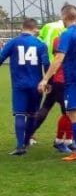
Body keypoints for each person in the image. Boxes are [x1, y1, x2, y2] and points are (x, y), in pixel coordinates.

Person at [37, 5, 76, 162]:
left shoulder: (67, 34)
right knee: (72, 112)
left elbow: (58, 58)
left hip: (75, 80)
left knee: (73, 114)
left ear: (63, 17)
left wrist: (45, 78)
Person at [0, 18, 49, 155]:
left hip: (19, 85)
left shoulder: (13, 42)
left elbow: (1, 58)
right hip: (36, 85)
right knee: (33, 115)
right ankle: (27, 141)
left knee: (19, 114)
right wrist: (47, 81)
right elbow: (46, 64)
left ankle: (20, 146)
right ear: (35, 29)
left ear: (22, 27)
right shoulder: (40, 44)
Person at [31, 6, 73, 151]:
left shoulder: (49, 28)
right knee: (67, 109)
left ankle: (27, 135)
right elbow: (60, 55)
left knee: (48, 105)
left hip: (50, 70)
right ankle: (63, 141)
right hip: (59, 73)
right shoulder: (64, 34)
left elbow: (39, 40)